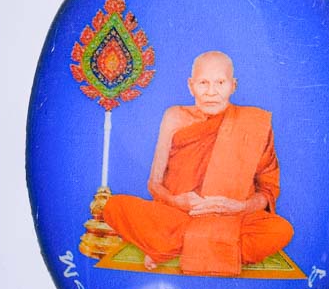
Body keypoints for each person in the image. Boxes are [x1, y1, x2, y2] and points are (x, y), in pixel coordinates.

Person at [103, 51, 293, 276]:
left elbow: (267, 190)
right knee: (114, 207)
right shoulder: (174, 116)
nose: (211, 92)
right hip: (179, 215)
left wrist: (238, 207)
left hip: (232, 218)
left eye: (220, 83)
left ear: (233, 86)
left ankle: (170, 247)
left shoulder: (254, 123)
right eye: (203, 83)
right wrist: (176, 201)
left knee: (280, 230)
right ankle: (210, 247)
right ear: (191, 86)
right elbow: (154, 184)